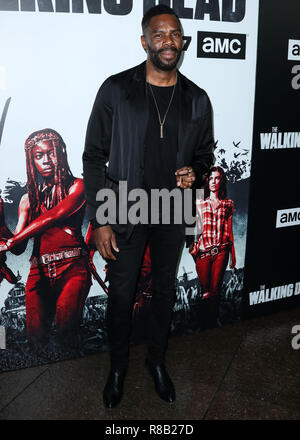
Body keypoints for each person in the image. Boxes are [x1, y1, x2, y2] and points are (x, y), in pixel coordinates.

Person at [82, 5, 215, 408]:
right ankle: (118, 368)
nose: (168, 41)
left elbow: (206, 156)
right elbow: (93, 156)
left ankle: (156, 362)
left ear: (182, 41)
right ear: (145, 42)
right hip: (124, 209)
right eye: (159, 35)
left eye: (174, 34)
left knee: (163, 291)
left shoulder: (196, 98)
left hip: (172, 211)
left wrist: (196, 171)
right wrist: (101, 218)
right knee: (121, 295)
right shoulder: (116, 90)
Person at [0, 129, 92, 348]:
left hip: (72, 269)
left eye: (51, 153)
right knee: (35, 341)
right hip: (38, 273)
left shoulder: (77, 186)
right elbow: (18, 249)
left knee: (64, 336)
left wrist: (12, 241)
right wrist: (1, 219)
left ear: (61, 153)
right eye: (38, 156)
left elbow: (54, 216)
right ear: (32, 162)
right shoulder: (27, 199)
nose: (46, 160)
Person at [190, 166, 236, 325]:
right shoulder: (199, 202)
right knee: (205, 292)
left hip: (221, 252)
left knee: (215, 291)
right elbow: (193, 227)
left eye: (217, 178)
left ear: (221, 180)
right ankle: (204, 323)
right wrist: (192, 249)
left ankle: (213, 325)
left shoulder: (228, 203)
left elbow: (229, 230)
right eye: (211, 178)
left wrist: (233, 256)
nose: (214, 182)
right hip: (203, 253)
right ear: (207, 181)